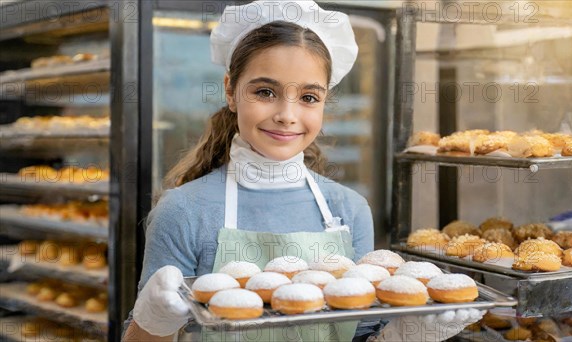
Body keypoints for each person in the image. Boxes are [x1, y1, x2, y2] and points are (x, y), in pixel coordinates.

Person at [122, 1, 484, 341]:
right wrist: (154, 319)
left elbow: (357, 334)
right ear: (231, 91)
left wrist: (406, 335)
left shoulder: (349, 209)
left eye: (309, 97)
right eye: (265, 92)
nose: (287, 115)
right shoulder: (184, 211)